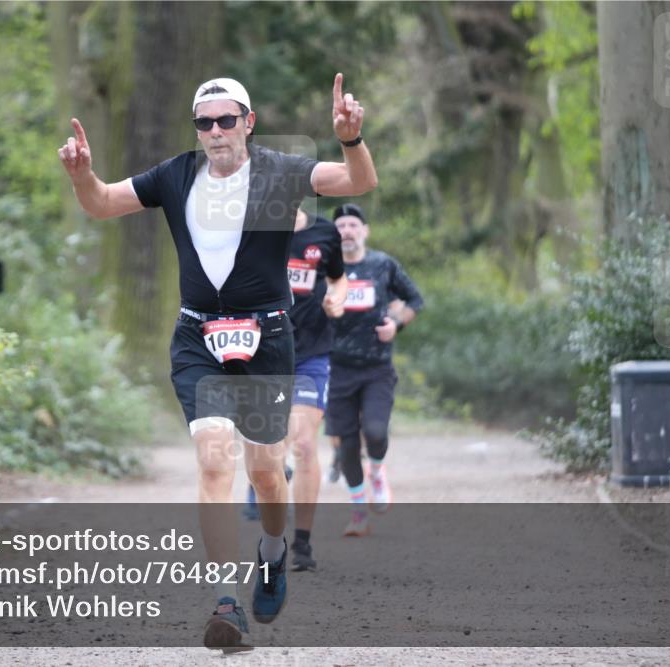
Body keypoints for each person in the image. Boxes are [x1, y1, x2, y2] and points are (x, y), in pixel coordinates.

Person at [57, 75, 377, 651]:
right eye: (204, 123)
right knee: (212, 461)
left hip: (268, 337)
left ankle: (274, 554)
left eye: (226, 120)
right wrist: (82, 174)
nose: (214, 132)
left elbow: (360, 180)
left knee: (263, 473)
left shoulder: (279, 171)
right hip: (196, 337)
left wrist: (351, 139)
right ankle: (226, 602)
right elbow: (102, 203)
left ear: (248, 122)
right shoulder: (176, 175)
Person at [243, 207, 347, 572]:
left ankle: (302, 543)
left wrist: (337, 297)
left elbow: (338, 279)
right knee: (269, 450)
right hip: (263, 354)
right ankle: (270, 521)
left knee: (303, 443)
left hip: (310, 355)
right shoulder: (250, 228)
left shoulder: (323, 234)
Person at [326, 203, 422, 537]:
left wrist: (395, 324)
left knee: (377, 432)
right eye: (340, 226)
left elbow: (415, 301)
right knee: (347, 445)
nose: (347, 231)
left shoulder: (382, 265)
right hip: (335, 370)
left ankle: (377, 472)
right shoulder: (325, 268)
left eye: (353, 224)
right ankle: (357, 510)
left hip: (376, 368)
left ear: (364, 231)